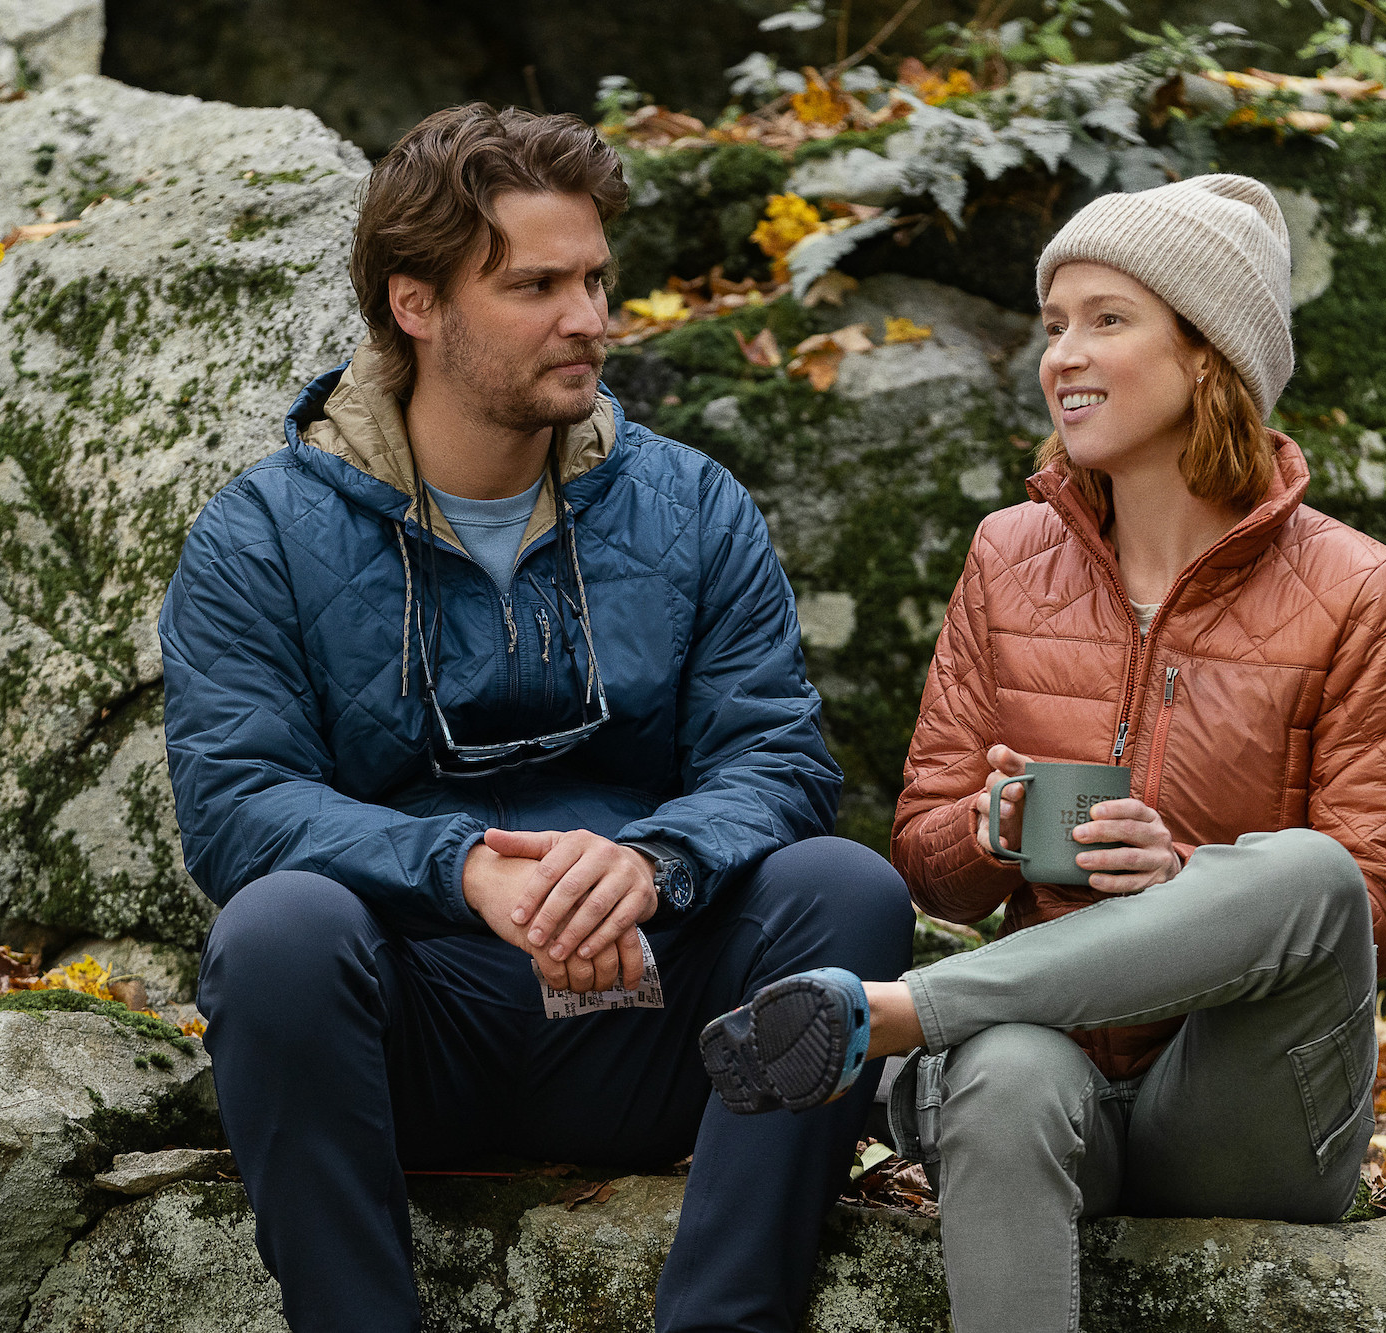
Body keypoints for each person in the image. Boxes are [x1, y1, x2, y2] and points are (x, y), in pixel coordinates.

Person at [157, 104, 912, 1333]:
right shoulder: (261, 537)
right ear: (417, 304)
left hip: (658, 1016)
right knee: (276, 928)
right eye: (537, 286)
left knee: (845, 890)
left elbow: (774, 757)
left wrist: (651, 863)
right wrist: (461, 872)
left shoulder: (689, 505)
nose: (589, 320)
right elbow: (239, 807)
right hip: (415, 1031)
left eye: (596, 280)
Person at [697, 174, 1386, 1333]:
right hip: (1050, 1087)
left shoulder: (1355, 589)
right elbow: (927, 861)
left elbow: (1373, 907)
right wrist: (988, 832)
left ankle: (900, 1014)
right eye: (1053, 326)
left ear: (1207, 356)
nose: (1062, 355)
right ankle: (919, 1024)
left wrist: (1186, 877)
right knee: (999, 1078)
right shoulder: (1007, 556)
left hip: (1246, 1112)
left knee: (1309, 872)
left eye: (1106, 318)